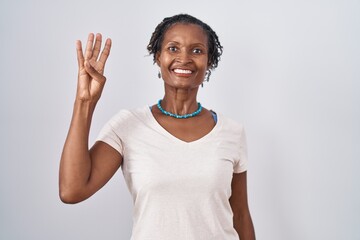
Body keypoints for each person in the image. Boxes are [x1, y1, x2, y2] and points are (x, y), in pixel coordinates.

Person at [59, 13, 255, 240]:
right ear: (157, 56)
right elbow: (71, 190)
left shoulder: (232, 131)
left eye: (197, 50)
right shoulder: (128, 126)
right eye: (173, 48)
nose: (184, 58)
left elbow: (240, 215)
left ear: (209, 61)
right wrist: (85, 102)